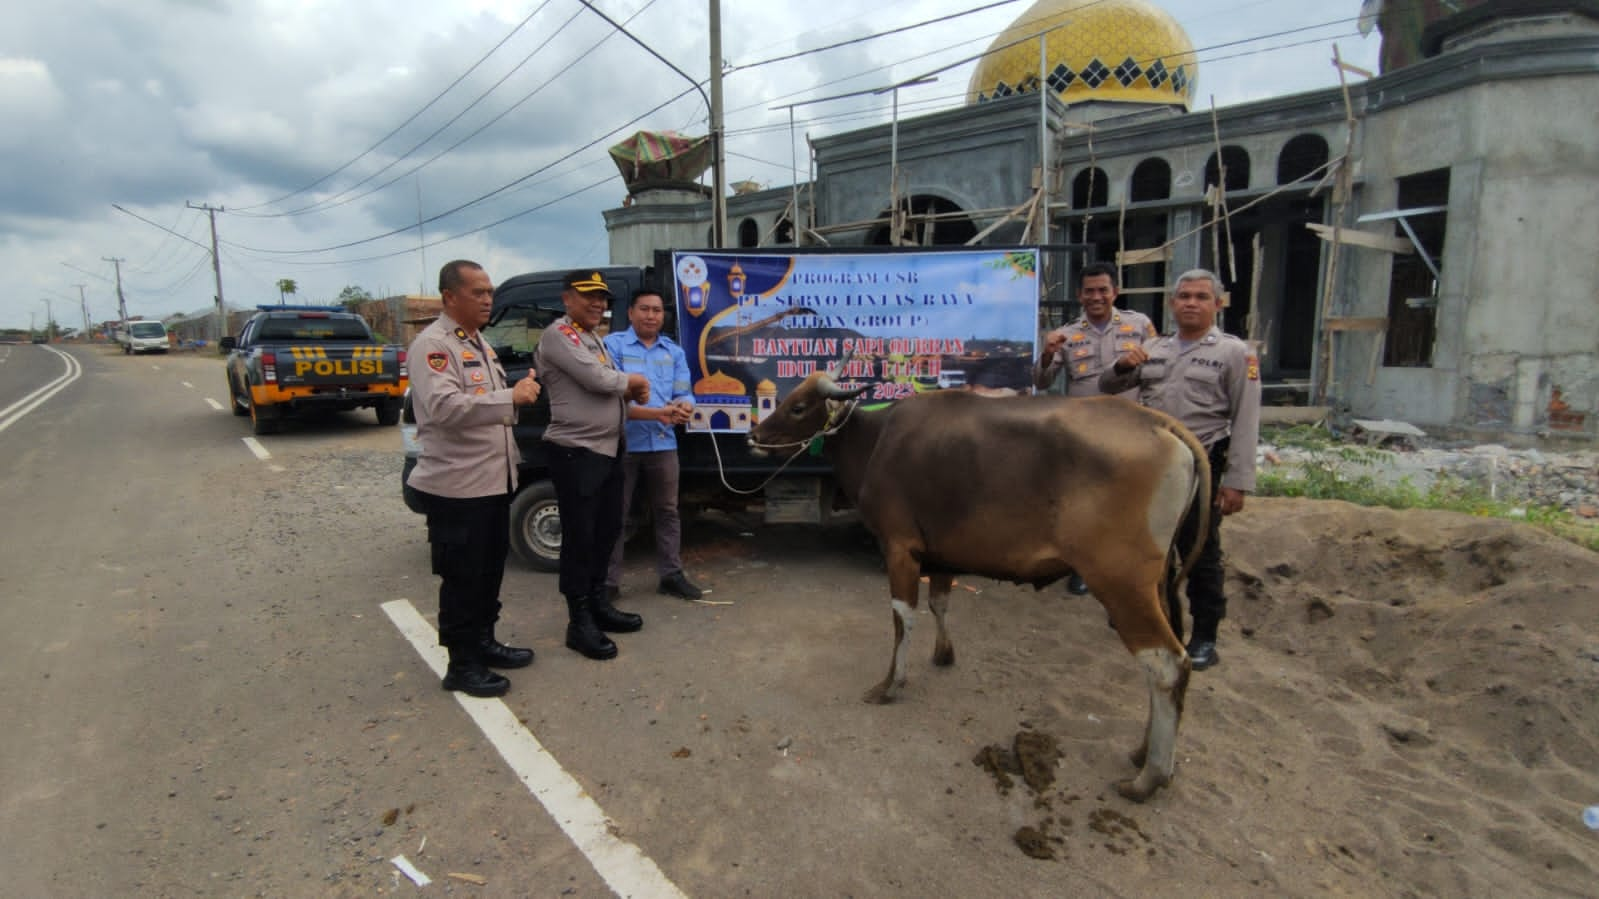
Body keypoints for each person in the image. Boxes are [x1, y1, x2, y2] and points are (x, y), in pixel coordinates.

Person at [1099, 268, 1262, 671]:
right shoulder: (1153, 348)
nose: (1191, 303)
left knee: (1200, 550)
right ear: (1172, 303)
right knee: (1148, 547)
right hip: (1150, 468)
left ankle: (1205, 635)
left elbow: (1246, 420)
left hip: (1201, 465)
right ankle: (1160, 622)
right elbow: (1107, 387)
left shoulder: (1235, 353)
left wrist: (1238, 483)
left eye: (1201, 297)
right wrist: (1122, 366)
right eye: (1184, 296)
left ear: (1218, 304)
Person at [408, 260, 545, 698]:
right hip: (457, 487)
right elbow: (445, 408)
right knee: (463, 577)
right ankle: (461, 665)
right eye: (478, 292)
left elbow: (480, 402)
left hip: (491, 481)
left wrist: (511, 397)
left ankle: (483, 643)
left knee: (487, 572)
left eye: (490, 292)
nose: (488, 299)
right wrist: (512, 396)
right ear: (451, 297)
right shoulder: (433, 345)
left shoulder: (478, 342)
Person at [536, 271, 652, 661]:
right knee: (580, 537)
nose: (599, 304)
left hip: (605, 449)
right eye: (589, 297)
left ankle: (599, 603)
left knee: (607, 531)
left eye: (602, 298)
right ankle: (578, 621)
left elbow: (604, 379)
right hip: (576, 452)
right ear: (567, 299)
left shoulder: (592, 338)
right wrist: (632, 381)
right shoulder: (560, 335)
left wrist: (628, 388)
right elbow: (597, 379)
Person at [1035, 261, 1157, 594]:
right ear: (1079, 295)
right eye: (1089, 291)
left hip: (1129, 428)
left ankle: (1131, 568)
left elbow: (1158, 369)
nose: (1096, 296)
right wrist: (1046, 354)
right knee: (1086, 502)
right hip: (1084, 434)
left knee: (1132, 498)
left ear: (1115, 292)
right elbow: (1042, 381)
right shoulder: (1069, 334)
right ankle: (1084, 567)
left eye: (1103, 289)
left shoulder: (1140, 325)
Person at [602, 289, 705, 601]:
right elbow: (612, 395)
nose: (650, 316)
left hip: (663, 443)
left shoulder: (672, 352)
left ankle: (671, 575)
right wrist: (661, 412)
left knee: (668, 511)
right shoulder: (612, 346)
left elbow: (684, 391)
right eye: (644, 309)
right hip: (622, 442)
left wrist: (685, 407)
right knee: (615, 513)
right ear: (630, 313)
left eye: (657, 311)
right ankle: (607, 582)